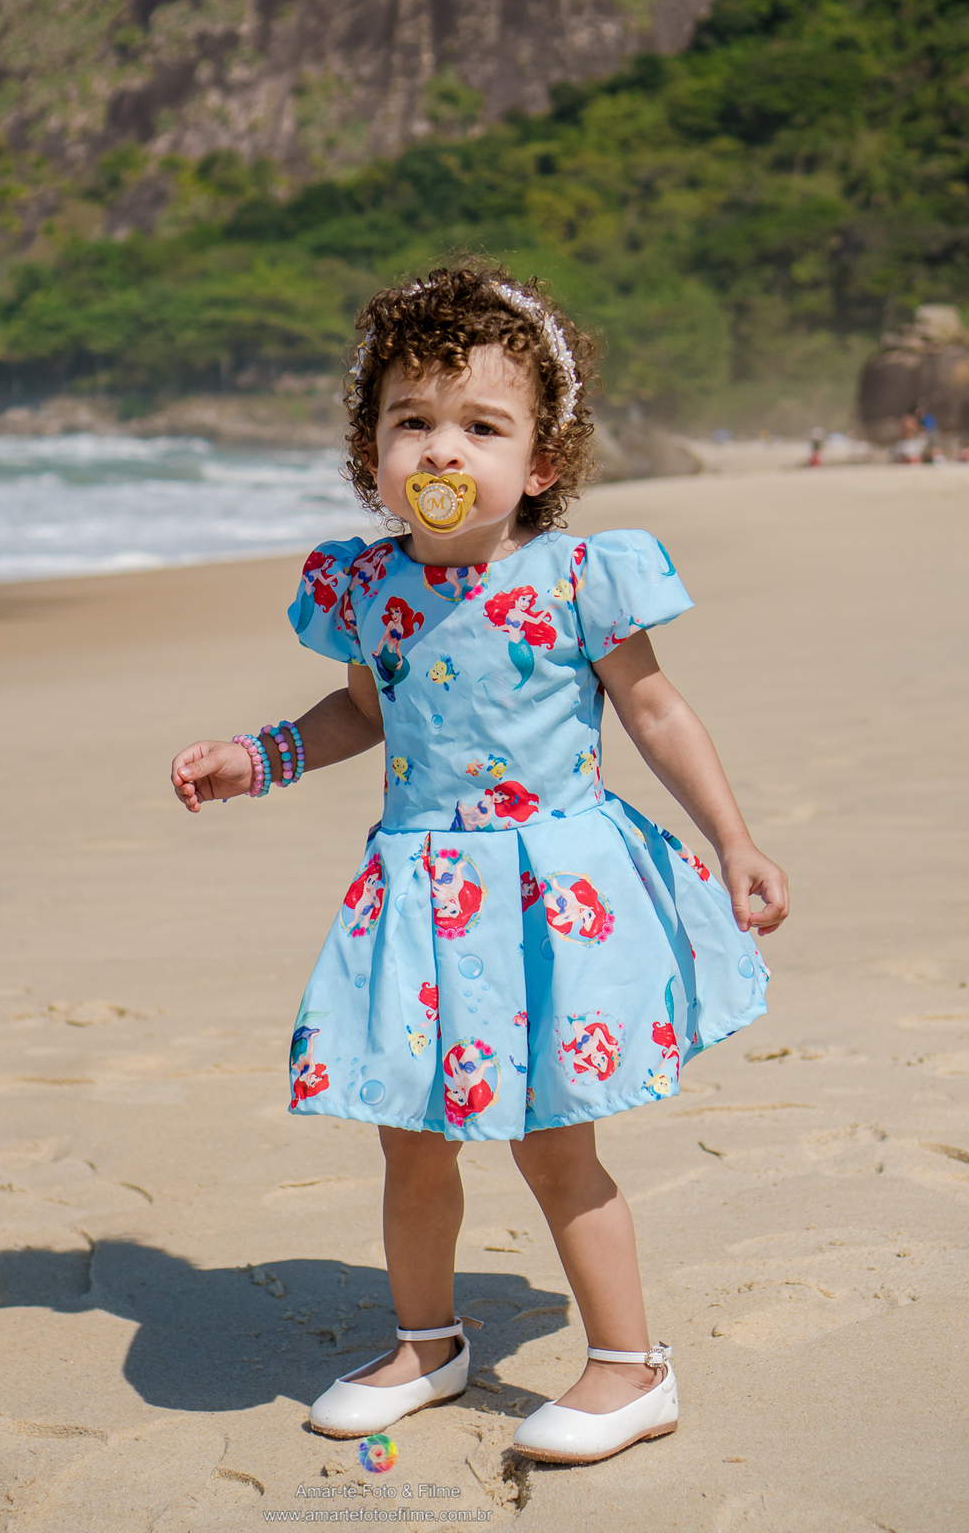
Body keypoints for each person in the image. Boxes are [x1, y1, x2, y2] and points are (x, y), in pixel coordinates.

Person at [171, 264, 789, 1466]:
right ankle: (426, 1343)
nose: (440, 448)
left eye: (480, 426)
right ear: (372, 449)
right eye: (412, 422)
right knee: (410, 1131)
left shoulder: (574, 578)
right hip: (418, 891)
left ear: (540, 461)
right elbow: (363, 715)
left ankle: (629, 1365)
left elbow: (657, 716)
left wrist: (736, 839)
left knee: (555, 1139)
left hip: (548, 894)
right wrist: (266, 756)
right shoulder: (368, 589)